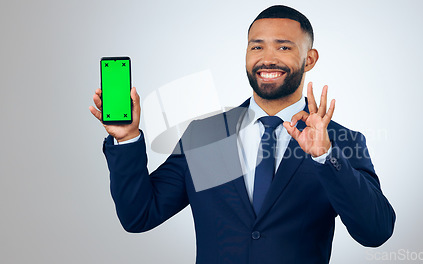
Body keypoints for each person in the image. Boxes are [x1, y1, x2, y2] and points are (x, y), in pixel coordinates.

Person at [89, 5, 395, 264]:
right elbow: (139, 216)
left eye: (284, 47)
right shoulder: (206, 135)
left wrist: (325, 157)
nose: (267, 58)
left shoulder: (340, 141)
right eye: (256, 46)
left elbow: (375, 231)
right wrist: (126, 137)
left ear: (310, 59)